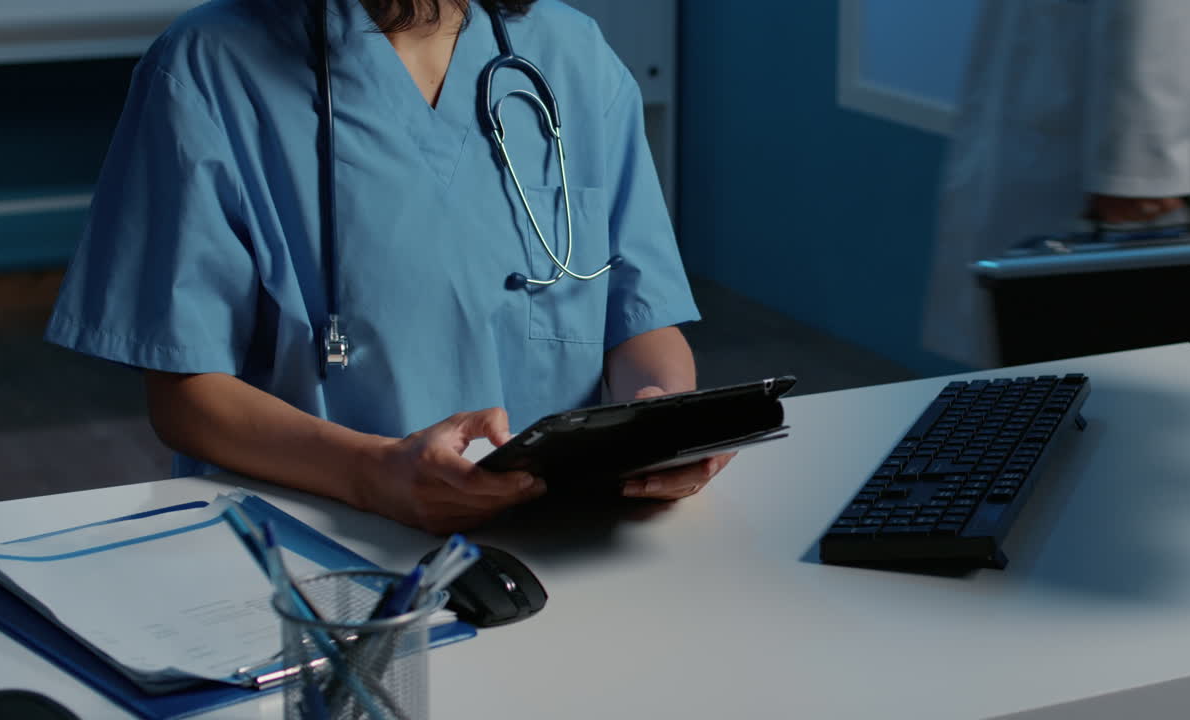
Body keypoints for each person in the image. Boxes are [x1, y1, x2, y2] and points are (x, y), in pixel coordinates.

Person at [45, 0, 727, 533]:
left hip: (565, 539)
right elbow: (187, 397)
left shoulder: (573, 55)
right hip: (321, 544)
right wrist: (374, 476)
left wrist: (662, 419)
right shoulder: (207, 67)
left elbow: (640, 323)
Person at [923, 0, 1190, 368]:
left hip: (1164, 158)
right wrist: (1139, 169)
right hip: (1149, 150)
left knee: (1112, 369)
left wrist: (1138, 171)